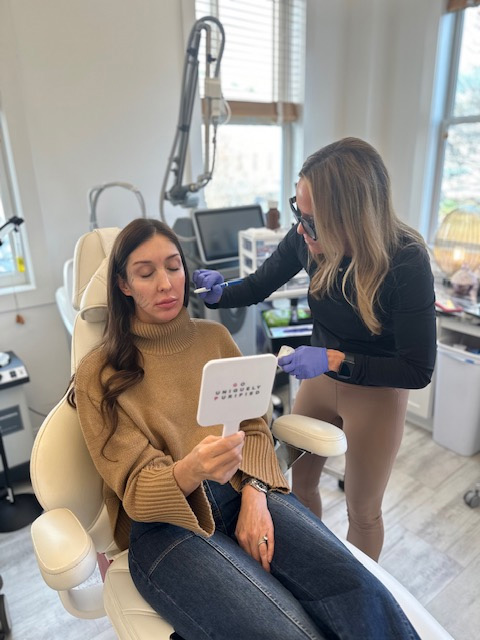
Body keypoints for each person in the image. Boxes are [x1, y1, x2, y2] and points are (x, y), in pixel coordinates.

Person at [69, 218, 421, 640]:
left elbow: (255, 427)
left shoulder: (213, 338)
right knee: (286, 630)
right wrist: (190, 470)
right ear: (124, 285)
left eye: (174, 266)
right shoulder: (99, 373)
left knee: (361, 592)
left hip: (242, 492)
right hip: (166, 528)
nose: (165, 284)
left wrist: (255, 492)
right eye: (146, 273)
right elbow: (138, 495)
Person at [193, 137, 437, 562]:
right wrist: (218, 294)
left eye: (313, 221)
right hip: (321, 381)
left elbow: (417, 370)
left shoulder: (406, 261)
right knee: (296, 485)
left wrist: (332, 359)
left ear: (354, 220)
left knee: (363, 511)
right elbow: (257, 284)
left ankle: (358, 599)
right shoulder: (307, 236)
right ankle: (315, 566)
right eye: (298, 213)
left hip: (377, 391)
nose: (301, 230)